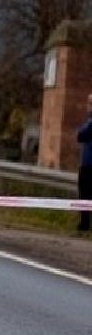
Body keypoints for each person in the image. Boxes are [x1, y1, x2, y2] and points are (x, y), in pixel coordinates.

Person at [75, 93, 92, 232]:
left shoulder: (91, 121)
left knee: (85, 193)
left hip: (88, 164)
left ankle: (85, 224)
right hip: (87, 162)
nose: (88, 106)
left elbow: (80, 135)